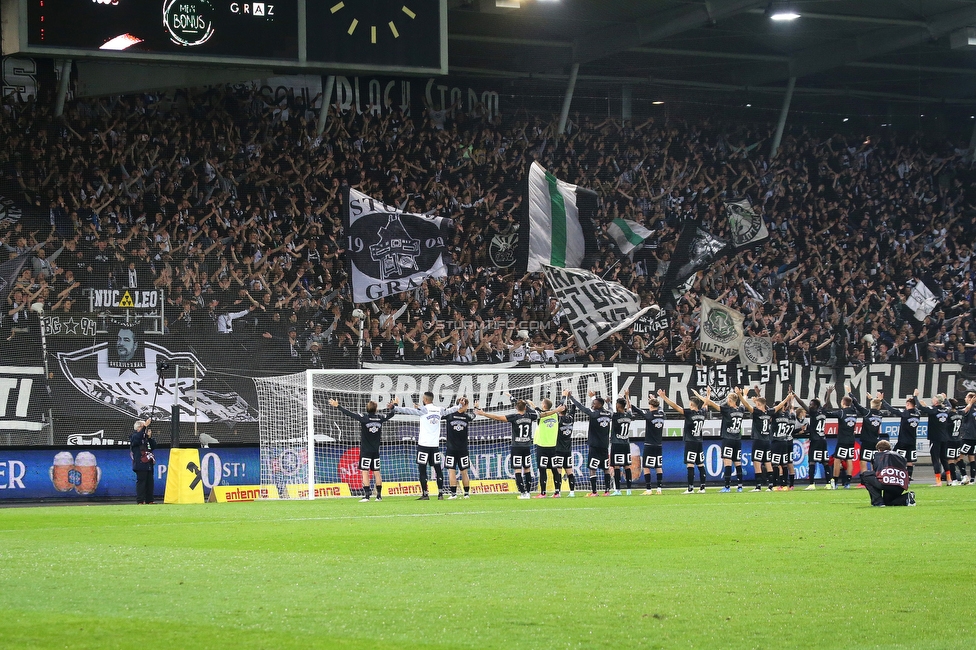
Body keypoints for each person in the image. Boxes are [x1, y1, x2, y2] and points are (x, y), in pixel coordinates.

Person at [475, 398, 560, 499]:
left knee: (517, 470)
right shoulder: (530, 416)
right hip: (527, 447)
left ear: (516, 408)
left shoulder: (514, 417)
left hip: (516, 447)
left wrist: (484, 413)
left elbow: (497, 417)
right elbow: (544, 414)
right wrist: (556, 410)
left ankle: (523, 493)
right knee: (527, 469)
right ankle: (528, 492)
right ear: (525, 408)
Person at [392, 391, 458, 501]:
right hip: (435, 445)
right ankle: (440, 494)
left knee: (422, 470)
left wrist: (395, 407)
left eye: (423, 398)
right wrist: (460, 405)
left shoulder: (423, 410)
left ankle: (425, 494)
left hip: (423, 445)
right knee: (438, 470)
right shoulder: (439, 410)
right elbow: (451, 410)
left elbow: (408, 410)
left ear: (426, 400)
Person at [329, 398, 394, 502]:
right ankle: (379, 496)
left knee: (365, 472)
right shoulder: (380, 418)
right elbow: (391, 414)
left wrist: (338, 406)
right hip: (375, 451)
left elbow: (350, 414)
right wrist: (394, 406)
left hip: (366, 451)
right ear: (376, 409)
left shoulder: (364, 418)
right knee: (377, 472)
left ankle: (367, 496)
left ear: (367, 408)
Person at [657, 388, 708, 494]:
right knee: (700, 464)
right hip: (699, 441)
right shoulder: (702, 412)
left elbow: (675, 406)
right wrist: (707, 394)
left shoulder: (689, 413)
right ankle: (702, 488)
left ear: (691, 404)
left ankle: (690, 488)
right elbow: (706, 403)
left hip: (691, 441)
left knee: (690, 464)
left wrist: (664, 397)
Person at [743, 388, 790, 491]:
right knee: (768, 463)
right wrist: (787, 398)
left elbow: (746, 405)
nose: (755, 406)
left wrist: (742, 395)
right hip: (767, 441)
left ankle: (758, 486)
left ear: (759, 405)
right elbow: (779, 405)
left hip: (758, 440)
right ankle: (771, 485)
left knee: (757, 462)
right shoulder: (769, 412)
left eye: (756, 404)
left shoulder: (757, 412)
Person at [699, 388, 746, 493]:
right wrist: (744, 394)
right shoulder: (741, 410)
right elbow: (744, 403)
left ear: (729, 400)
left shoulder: (726, 410)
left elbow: (710, 403)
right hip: (737, 439)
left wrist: (707, 394)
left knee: (727, 462)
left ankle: (727, 486)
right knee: (738, 462)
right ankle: (740, 486)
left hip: (728, 439)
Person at [567, 390, 613, 497]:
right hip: (605, 446)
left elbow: (581, 407)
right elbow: (610, 409)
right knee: (605, 468)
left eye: (594, 403)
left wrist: (571, 398)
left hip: (595, 445)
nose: (593, 404)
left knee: (593, 469)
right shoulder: (608, 414)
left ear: (599, 405)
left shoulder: (594, 414)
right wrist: (609, 402)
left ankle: (594, 492)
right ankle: (607, 491)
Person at [794, 388, 832, 490]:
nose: (810, 406)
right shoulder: (823, 411)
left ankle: (811, 484)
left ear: (815, 406)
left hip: (815, 440)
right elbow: (827, 403)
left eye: (811, 404)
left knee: (812, 462)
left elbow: (802, 404)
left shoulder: (813, 412)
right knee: (825, 462)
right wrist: (828, 393)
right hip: (823, 439)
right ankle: (828, 483)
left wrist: (794, 395)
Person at [823, 385, 860, 489]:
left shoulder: (841, 412)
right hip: (851, 440)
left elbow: (826, 412)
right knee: (849, 460)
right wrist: (850, 392)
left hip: (842, 440)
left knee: (837, 459)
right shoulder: (854, 412)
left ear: (843, 403)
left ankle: (834, 482)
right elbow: (856, 403)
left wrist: (828, 394)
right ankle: (847, 482)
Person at [859, 440, 916, 507]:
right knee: (889, 502)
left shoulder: (878, 455)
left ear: (879, 449)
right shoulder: (900, 457)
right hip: (900, 485)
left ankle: (878, 502)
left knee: (865, 476)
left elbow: (877, 472)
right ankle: (907, 497)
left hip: (887, 482)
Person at [882, 389, 921, 483]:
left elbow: (891, 409)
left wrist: (882, 400)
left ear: (908, 405)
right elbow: (918, 406)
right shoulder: (918, 413)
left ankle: (896, 476)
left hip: (903, 441)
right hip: (912, 441)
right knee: (909, 461)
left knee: (894, 457)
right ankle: (909, 478)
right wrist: (915, 396)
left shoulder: (905, 413)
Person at [633, 391, 665, 495]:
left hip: (649, 444)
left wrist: (627, 399)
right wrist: (653, 399)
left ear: (650, 406)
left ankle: (649, 489)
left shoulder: (649, 415)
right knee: (658, 466)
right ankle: (659, 489)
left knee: (646, 466)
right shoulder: (662, 414)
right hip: (659, 444)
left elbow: (637, 410)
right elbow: (659, 408)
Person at [531, 396, 564, 498]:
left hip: (543, 447)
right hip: (553, 447)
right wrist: (563, 396)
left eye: (542, 403)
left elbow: (539, 411)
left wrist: (531, 404)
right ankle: (557, 492)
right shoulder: (555, 415)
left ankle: (543, 493)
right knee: (555, 470)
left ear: (544, 405)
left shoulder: (540, 416)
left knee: (543, 469)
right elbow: (560, 405)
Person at [918, 393, 952, 486]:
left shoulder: (933, 410)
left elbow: (920, 407)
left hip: (935, 438)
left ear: (936, 401)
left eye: (933, 399)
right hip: (944, 438)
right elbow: (949, 406)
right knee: (944, 459)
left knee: (935, 459)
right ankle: (949, 480)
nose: (932, 399)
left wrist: (915, 397)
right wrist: (946, 399)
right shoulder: (946, 409)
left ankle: (938, 481)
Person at [444, 397, 476, 499]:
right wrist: (476, 408)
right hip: (462, 449)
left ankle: (454, 494)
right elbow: (474, 415)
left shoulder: (449, 415)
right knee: (463, 471)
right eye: (467, 405)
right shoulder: (467, 417)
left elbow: (440, 414)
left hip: (451, 449)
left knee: (452, 471)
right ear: (465, 405)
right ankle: (466, 494)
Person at [607, 389, 637, 496]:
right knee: (627, 466)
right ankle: (629, 490)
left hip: (616, 443)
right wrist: (627, 396)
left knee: (616, 467)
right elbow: (629, 408)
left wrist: (608, 402)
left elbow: (610, 411)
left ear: (618, 406)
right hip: (626, 444)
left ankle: (618, 490)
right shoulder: (628, 415)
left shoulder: (615, 416)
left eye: (616, 404)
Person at [852, 392, 885, 475]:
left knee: (863, 460)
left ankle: (864, 480)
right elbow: (876, 405)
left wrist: (850, 393)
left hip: (867, 440)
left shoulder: (867, 412)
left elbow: (856, 404)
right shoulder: (880, 414)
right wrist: (871, 399)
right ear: (879, 406)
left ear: (871, 404)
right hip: (876, 441)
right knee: (874, 460)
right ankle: (875, 477)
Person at [552, 393, 577, 497]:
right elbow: (574, 408)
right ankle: (572, 492)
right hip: (568, 450)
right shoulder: (571, 418)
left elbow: (559, 407)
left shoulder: (558, 419)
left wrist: (563, 396)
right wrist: (570, 397)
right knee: (569, 471)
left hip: (558, 449)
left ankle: (558, 492)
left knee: (558, 471)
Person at [130, 418, 155, 504]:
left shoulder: (145, 439)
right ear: (138, 428)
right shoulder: (134, 436)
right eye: (143, 427)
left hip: (148, 464)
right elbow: (137, 438)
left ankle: (150, 500)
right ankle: (140, 500)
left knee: (150, 483)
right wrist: (145, 426)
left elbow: (153, 446)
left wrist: (149, 438)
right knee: (141, 482)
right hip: (140, 463)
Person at [957, 392, 976, 485]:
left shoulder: (969, 408)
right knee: (971, 457)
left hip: (967, 437)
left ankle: (965, 476)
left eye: (966, 397)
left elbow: (963, 412)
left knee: (958, 457)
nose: (965, 398)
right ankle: (973, 479)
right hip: (974, 438)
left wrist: (970, 404)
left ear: (970, 399)